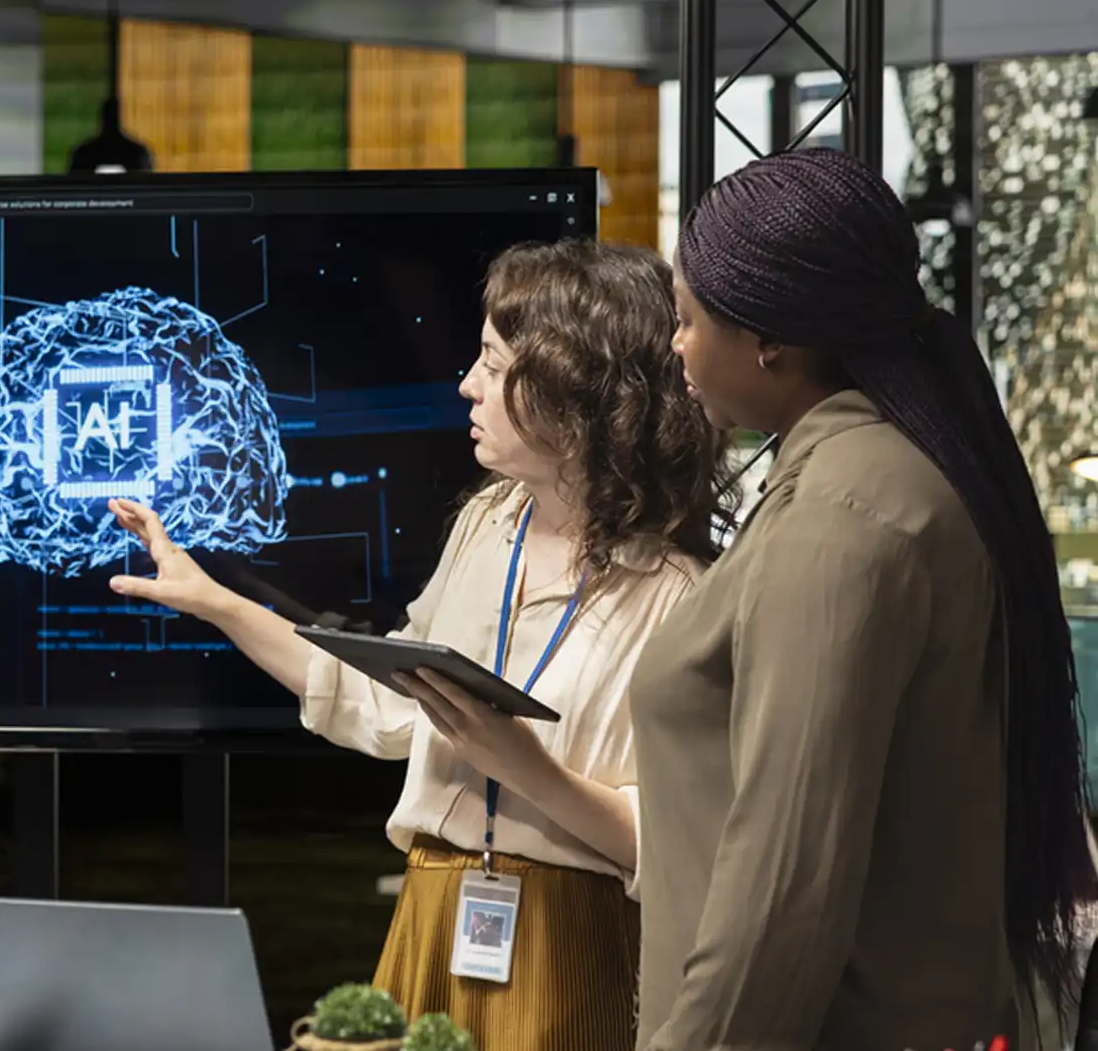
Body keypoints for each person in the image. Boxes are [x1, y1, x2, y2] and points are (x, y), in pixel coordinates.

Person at [107, 239, 729, 1050]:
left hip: (572, 943)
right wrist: (212, 600)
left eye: (492, 364)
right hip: (432, 915)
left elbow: (685, 845)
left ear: (574, 395)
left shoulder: (679, 595)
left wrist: (525, 768)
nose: (467, 384)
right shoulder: (488, 524)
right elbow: (386, 703)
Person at [631, 145, 1096, 1051]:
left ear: (770, 339)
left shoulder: (840, 522)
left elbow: (785, 885)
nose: (675, 346)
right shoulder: (886, 473)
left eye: (686, 320)